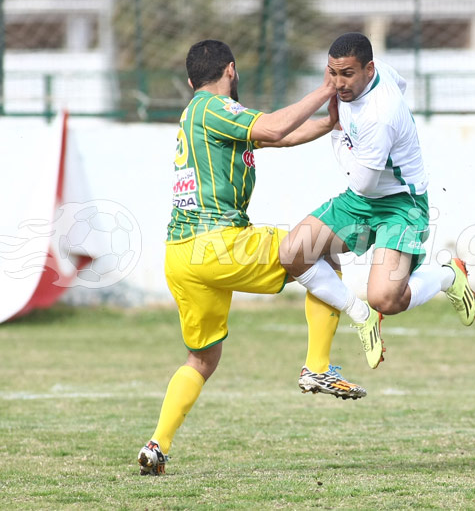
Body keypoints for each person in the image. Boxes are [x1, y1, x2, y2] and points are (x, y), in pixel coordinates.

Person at [137, 39, 377, 476]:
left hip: (182, 255)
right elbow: (274, 127)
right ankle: (317, 366)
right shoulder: (213, 107)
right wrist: (327, 90)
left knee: (202, 359)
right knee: (318, 249)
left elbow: (278, 137)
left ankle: (157, 445)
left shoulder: (201, 115)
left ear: (190, 80)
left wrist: (328, 123)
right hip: (218, 244)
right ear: (231, 69)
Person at [280, 32, 475, 370]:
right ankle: (361, 315)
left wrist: (338, 132)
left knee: (386, 298)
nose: (338, 83)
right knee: (293, 254)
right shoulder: (380, 72)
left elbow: (362, 181)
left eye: (347, 74)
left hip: (400, 205)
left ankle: (449, 276)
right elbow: (400, 84)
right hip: (361, 200)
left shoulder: (379, 117)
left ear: (368, 69)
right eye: (332, 72)